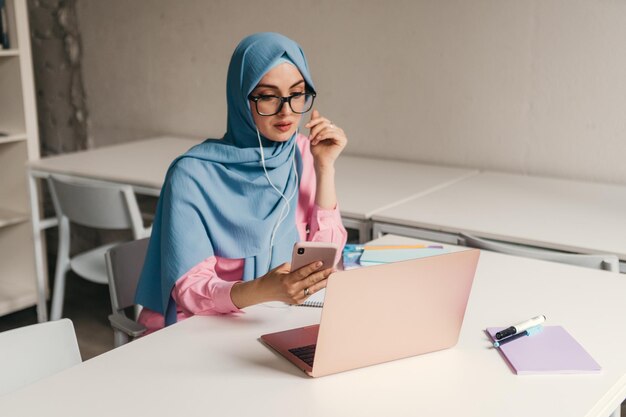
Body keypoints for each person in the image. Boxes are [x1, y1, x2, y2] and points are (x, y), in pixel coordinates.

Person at [134, 32, 348, 332]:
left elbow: (324, 261)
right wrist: (264, 290)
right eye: (268, 96)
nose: (286, 111)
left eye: (297, 94)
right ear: (240, 98)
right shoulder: (191, 175)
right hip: (195, 328)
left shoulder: (302, 153)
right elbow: (190, 289)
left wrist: (325, 168)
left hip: (270, 320)